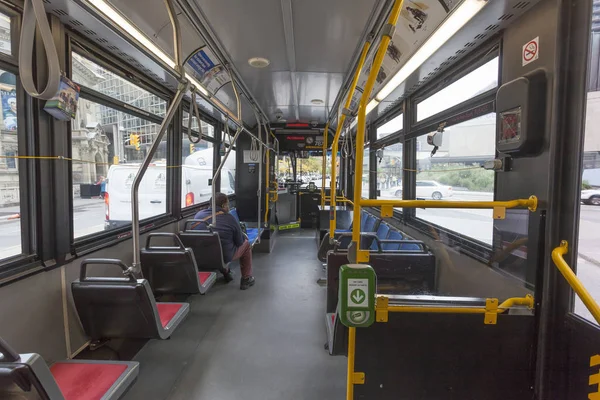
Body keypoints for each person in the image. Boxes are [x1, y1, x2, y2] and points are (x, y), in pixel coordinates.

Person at [193, 193, 255, 290]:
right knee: (246, 244)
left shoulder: (198, 215)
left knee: (217, 248)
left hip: (199, 257)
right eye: (227, 204)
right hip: (222, 257)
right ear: (223, 206)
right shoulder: (229, 218)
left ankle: (227, 273)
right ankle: (246, 279)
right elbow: (239, 242)